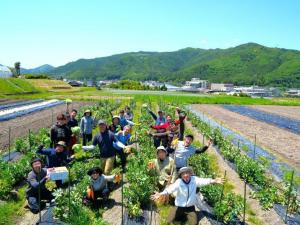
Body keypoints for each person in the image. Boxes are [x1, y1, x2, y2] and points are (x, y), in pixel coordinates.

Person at [151, 167, 224, 225]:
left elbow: (203, 181)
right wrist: (161, 193)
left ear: (190, 174)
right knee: (169, 221)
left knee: (194, 223)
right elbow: (170, 189)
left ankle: (186, 215)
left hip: (190, 207)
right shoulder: (179, 182)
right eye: (183, 174)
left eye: (187, 173)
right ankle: (181, 215)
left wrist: (213, 181)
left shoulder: (194, 180)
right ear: (181, 176)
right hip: (179, 206)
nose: (185, 175)